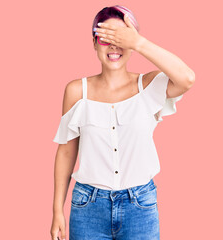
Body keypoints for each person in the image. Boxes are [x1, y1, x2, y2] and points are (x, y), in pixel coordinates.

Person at [50, 5, 195, 240]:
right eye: (106, 38)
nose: (114, 46)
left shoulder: (148, 86)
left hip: (140, 207)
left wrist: (138, 42)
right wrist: (57, 210)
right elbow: (66, 152)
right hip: (88, 207)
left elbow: (187, 78)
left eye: (121, 38)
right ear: (95, 43)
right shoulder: (77, 91)